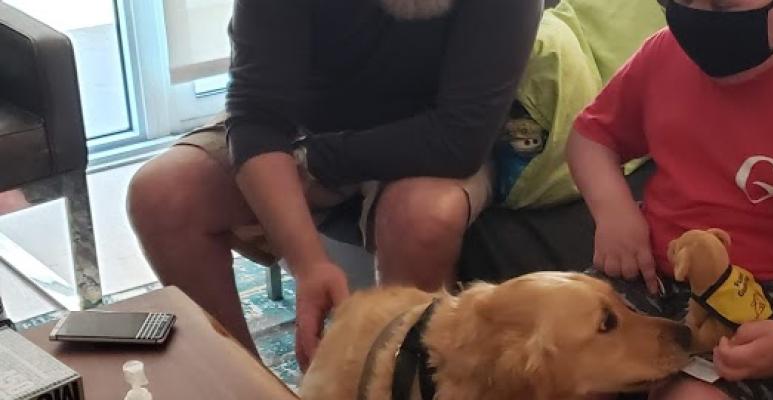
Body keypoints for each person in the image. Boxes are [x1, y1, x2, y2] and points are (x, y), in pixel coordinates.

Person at [126, 0, 540, 369]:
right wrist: (309, 264)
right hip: (309, 124)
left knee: (422, 218)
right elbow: (257, 113)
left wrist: (316, 161)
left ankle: (398, 379)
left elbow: (459, 140)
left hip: (428, 137)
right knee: (162, 196)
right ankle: (245, 382)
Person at [567, 0, 773, 398]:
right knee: (541, 357)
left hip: (771, 297)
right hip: (649, 272)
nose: (696, 15)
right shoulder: (663, 54)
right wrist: (614, 213)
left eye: (723, 5)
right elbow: (591, 138)